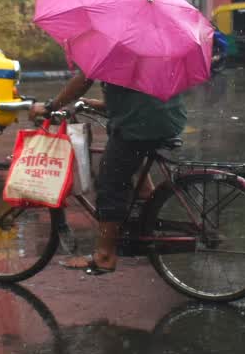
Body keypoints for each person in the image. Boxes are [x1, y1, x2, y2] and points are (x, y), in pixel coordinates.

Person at [31, 71, 187, 275]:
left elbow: (84, 78)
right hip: (168, 117)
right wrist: (101, 105)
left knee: (109, 183)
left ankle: (104, 255)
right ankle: (146, 207)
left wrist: (50, 106)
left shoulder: (115, 45)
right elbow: (141, 87)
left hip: (139, 122)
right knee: (130, 161)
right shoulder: (155, 47)